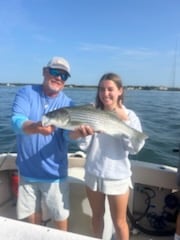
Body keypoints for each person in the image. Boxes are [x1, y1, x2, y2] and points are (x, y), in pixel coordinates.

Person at [71, 72, 146, 240]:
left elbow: (134, 148)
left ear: (120, 91)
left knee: (119, 222)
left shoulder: (130, 116)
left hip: (117, 176)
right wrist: (82, 134)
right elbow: (84, 146)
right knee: (96, 217)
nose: (105, 94)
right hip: (93, 174)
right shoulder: (91, 112)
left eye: (110, 89)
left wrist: (124, 123)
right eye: (102, 89)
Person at [11, 56, 75, 231]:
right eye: (55, 72)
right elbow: (17, 122)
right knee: (31, 222)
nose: (59, 78)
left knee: (60, 217)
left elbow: (69, 136)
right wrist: (36, 127)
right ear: (44, 72)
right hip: (26, 171)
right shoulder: (26, 92)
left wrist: (80, 134)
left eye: (64, 75)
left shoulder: (69, 104)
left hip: (55, 174)